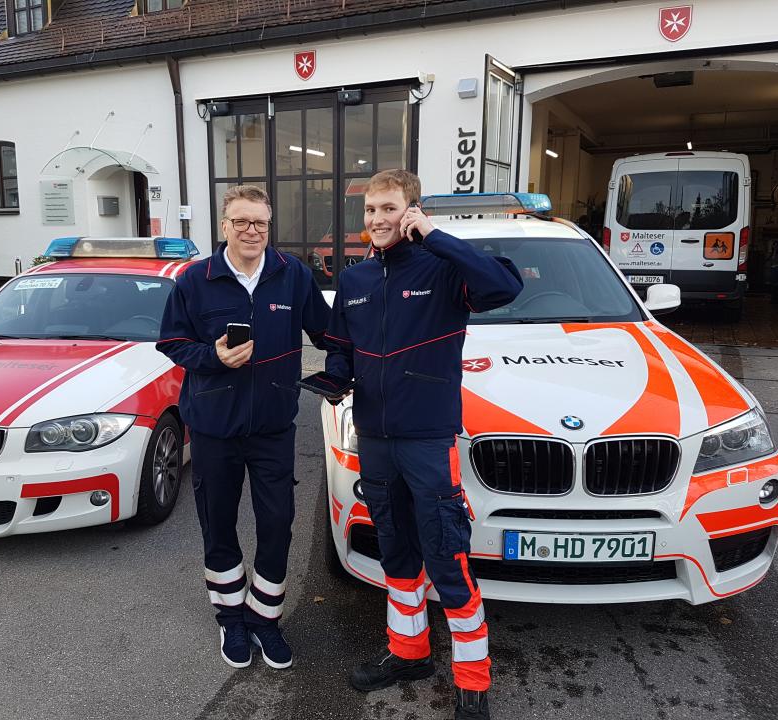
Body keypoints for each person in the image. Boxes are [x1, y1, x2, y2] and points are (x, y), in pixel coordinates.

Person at [324, 170, 523, 720]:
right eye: (369, 211)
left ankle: (474, 680)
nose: (376, 220)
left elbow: (504, 287)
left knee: (446, 552)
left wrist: (435, 237)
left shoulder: (442, 268)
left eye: (388, 208)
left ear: (411, 211)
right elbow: (342, 345)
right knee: (396, 549)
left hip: (428, 438)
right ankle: (408, 653)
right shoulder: (357, 277)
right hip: (375, 436)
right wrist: (335, 375)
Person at [157, 185, 330, 670]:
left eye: (261, 223)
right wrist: (211, 356)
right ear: (224, 226)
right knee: (219, 524)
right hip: (214, 428)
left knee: (277, 524)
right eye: (242, 222)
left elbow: (329, 331)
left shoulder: (292, 275)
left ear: (269, 227)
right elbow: (171, 343)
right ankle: (230, 617)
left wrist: (346, 369)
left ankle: (264, 617)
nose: (252, 230)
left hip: (273, 426)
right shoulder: (196, 280)